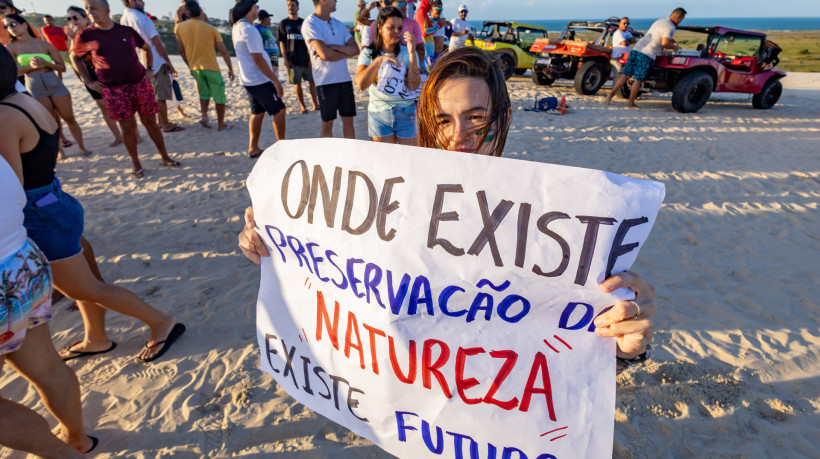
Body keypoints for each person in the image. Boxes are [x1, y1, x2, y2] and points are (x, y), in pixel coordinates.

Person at [239, 46, 656, 375]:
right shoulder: (391, 198)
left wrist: (625, 347)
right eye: (443, 120)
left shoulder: (551, 220)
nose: (460, 137)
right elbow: (339, 273)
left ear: (503, 117)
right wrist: (277, 241)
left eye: (476, 117)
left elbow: (565, 349)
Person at [0, 43, 185, 368]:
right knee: (85, 284)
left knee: (85, 287)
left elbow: (9, 188)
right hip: (54, 200)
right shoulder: (22, 100)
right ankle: (96, 337)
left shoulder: (3, 116)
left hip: (38, 212)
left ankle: (160, 322)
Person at [72, 0, 181, 178]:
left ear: (107, 10)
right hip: (113, 89)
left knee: (151, 123)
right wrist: (88, 81)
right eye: (86, 9)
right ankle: (136, 164)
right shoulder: (85, 35)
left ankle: (165, 157)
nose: (89, 12)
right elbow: (75, 58)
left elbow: (146, 47)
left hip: (139, 83)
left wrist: (150, 69)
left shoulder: (125, 31)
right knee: (127, 128)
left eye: (92, 8)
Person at [4, 14, 92, 159]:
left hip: (53, 82)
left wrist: (47, 64)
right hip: (33, 84)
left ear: (24, 24)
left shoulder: (44, 44)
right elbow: (13, 71)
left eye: (13, 24)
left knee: (69, 117)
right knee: (50, 121)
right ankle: (60, 151)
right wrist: (30, 66)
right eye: (6, 26)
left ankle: (82, 147)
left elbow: (61, 67)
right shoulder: (10, 47)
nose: (10, 29)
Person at [355, 7, 420, 144]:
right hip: (379, 114)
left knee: (407, 159)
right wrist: (378, 61)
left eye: (400, 27)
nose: (397, 31)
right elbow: (361, 84)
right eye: (391, 27)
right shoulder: (368, 53)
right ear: (379, 27)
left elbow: (413, 86)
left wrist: (413, 53)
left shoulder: (407, 52)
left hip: (406, 113)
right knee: (385, 161)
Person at [63, 5, 124, 147]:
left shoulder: (95, 32)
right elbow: (74, 57)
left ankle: (133, 135)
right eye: (69, 18)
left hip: (105, 71)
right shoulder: (72, 35)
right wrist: (73, 40)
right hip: (88, 75)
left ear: (85, 17)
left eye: (75, 17)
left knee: (118, 104)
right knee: (104, 107)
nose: (72, 21)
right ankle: (117, 136)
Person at [121, 0, 186, 133]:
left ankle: (161, 121)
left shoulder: (124, 19)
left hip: (139, 62)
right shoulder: (142, 18)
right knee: (160, 95)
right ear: (131, 1)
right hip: (155, 61)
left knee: (153, 93)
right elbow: (156, 42)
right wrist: (168, 62)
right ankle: (165, 124)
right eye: (140, 0)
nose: (143, 2)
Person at [232, 0, 286, 158]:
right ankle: (281, 147)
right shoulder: (249, 29)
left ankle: (253, 147)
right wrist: (275, 81)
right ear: (249, 9)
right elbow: (258, 59)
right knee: (280, 110)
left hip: (248, 78)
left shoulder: (237, 26)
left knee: (258, 112)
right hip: (258, 79)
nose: (258, 9)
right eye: (256, 6)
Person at [605, 8, 686, 109]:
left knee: (625, 75)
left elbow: (661, 35)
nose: (680, 22)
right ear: (677, 18)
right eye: (681, 19)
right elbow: (665, 42)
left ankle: (609, 96)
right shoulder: (671, 27)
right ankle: (630, 103)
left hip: (636, 50)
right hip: (647, 54)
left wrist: (672, 41)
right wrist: (675, 47)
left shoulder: (660, 21)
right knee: (638, 80)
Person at [302, 0, 360, 139]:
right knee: (327, 123)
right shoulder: (310, 23)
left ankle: (350, 154)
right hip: (325, 81)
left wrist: (335, 47)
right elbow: (325, 54)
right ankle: (326, 158)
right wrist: (344, 51)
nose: (336, 1)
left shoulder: (338, 23)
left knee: (348, 120)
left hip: (344, 79)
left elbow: (356, 49)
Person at [175, 0, 235, 131]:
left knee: (204, 93)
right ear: (201, 12)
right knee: (219, 96)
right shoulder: (211, 29)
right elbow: (224, 51)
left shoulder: (180, 28)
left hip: (195, 68)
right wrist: (230, 68)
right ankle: (221, 124)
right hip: (211, 66)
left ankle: (204, 116)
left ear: (187, 13)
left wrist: (190, 65)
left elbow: (181, 50)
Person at [361, 0, 425, 65]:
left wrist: (406, 50)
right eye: (400, 4)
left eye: (405, 3)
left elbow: (422, 55)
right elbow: (373, 51)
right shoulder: (375, 25)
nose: (404, 7)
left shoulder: (413, 23)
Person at [256, 10, 280, 75]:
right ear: (265, 19)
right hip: (267, 60)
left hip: (273, 61)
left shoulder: (266, 29)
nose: (270, 20)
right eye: (269, 18)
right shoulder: (257, 28)